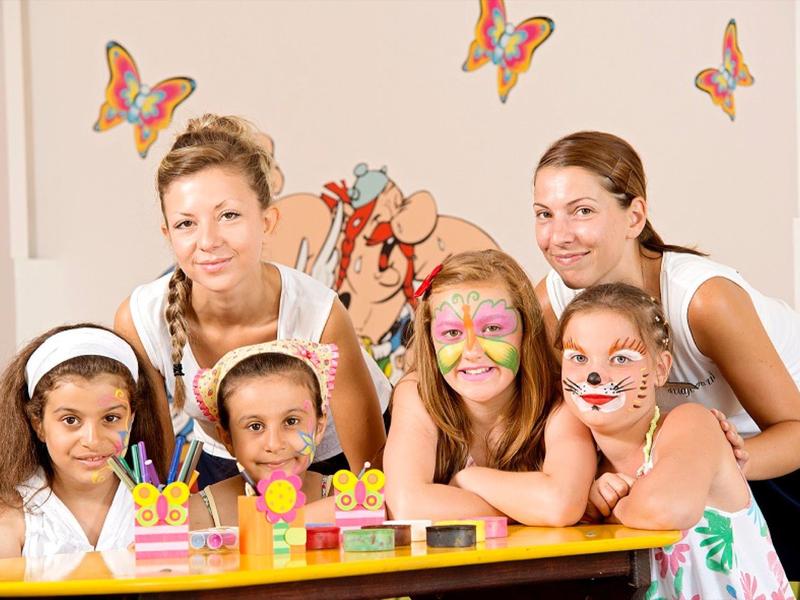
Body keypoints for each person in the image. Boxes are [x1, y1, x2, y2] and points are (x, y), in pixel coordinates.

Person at [533, 131, 800, 576]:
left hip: (771, 461)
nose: (559, 235)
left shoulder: (704, 301)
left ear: (634, 216)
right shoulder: (552, 303)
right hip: (677, 468)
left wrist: (718, 464)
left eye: (581, 211)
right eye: (544, 214)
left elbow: (795, 430)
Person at [115, 114, 390, 488]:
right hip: (227, 462)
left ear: (268, 221)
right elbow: (157, 478)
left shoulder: (319, 316)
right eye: (186, 224)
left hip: (334, 463)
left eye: (229, 215)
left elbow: (375, 481)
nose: (208, 240)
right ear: (168, 234)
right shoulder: (141, 320)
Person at [557, 283, 794, 599]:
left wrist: (613, 510)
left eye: (621, 358)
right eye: (578, 357)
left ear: (659, 369)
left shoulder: (691, 424)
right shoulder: (581, 463)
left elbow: (665, 509)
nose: (594, 375)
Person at [384, 250, 596, 523]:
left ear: (526, 330)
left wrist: (467, 479)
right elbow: (407, 505)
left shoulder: (560, 401)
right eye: (452, 333)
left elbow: (560, 505)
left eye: (494, 328)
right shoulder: (417, 395)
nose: (472, 350)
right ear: (430, 341)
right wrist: (526, 509)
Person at [0, 324, 167, 558]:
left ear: (131, 419)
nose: (93, 440)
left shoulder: (165, 505)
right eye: (70, 420)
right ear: (38, 424)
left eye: (111, 418)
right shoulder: (12, 517)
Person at [189, 339, 337, 528]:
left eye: (291, 421)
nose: (274, 444)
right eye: (255, 426)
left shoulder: (347, 500)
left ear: (319, 427)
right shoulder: (200, 513)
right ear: (227, 439)